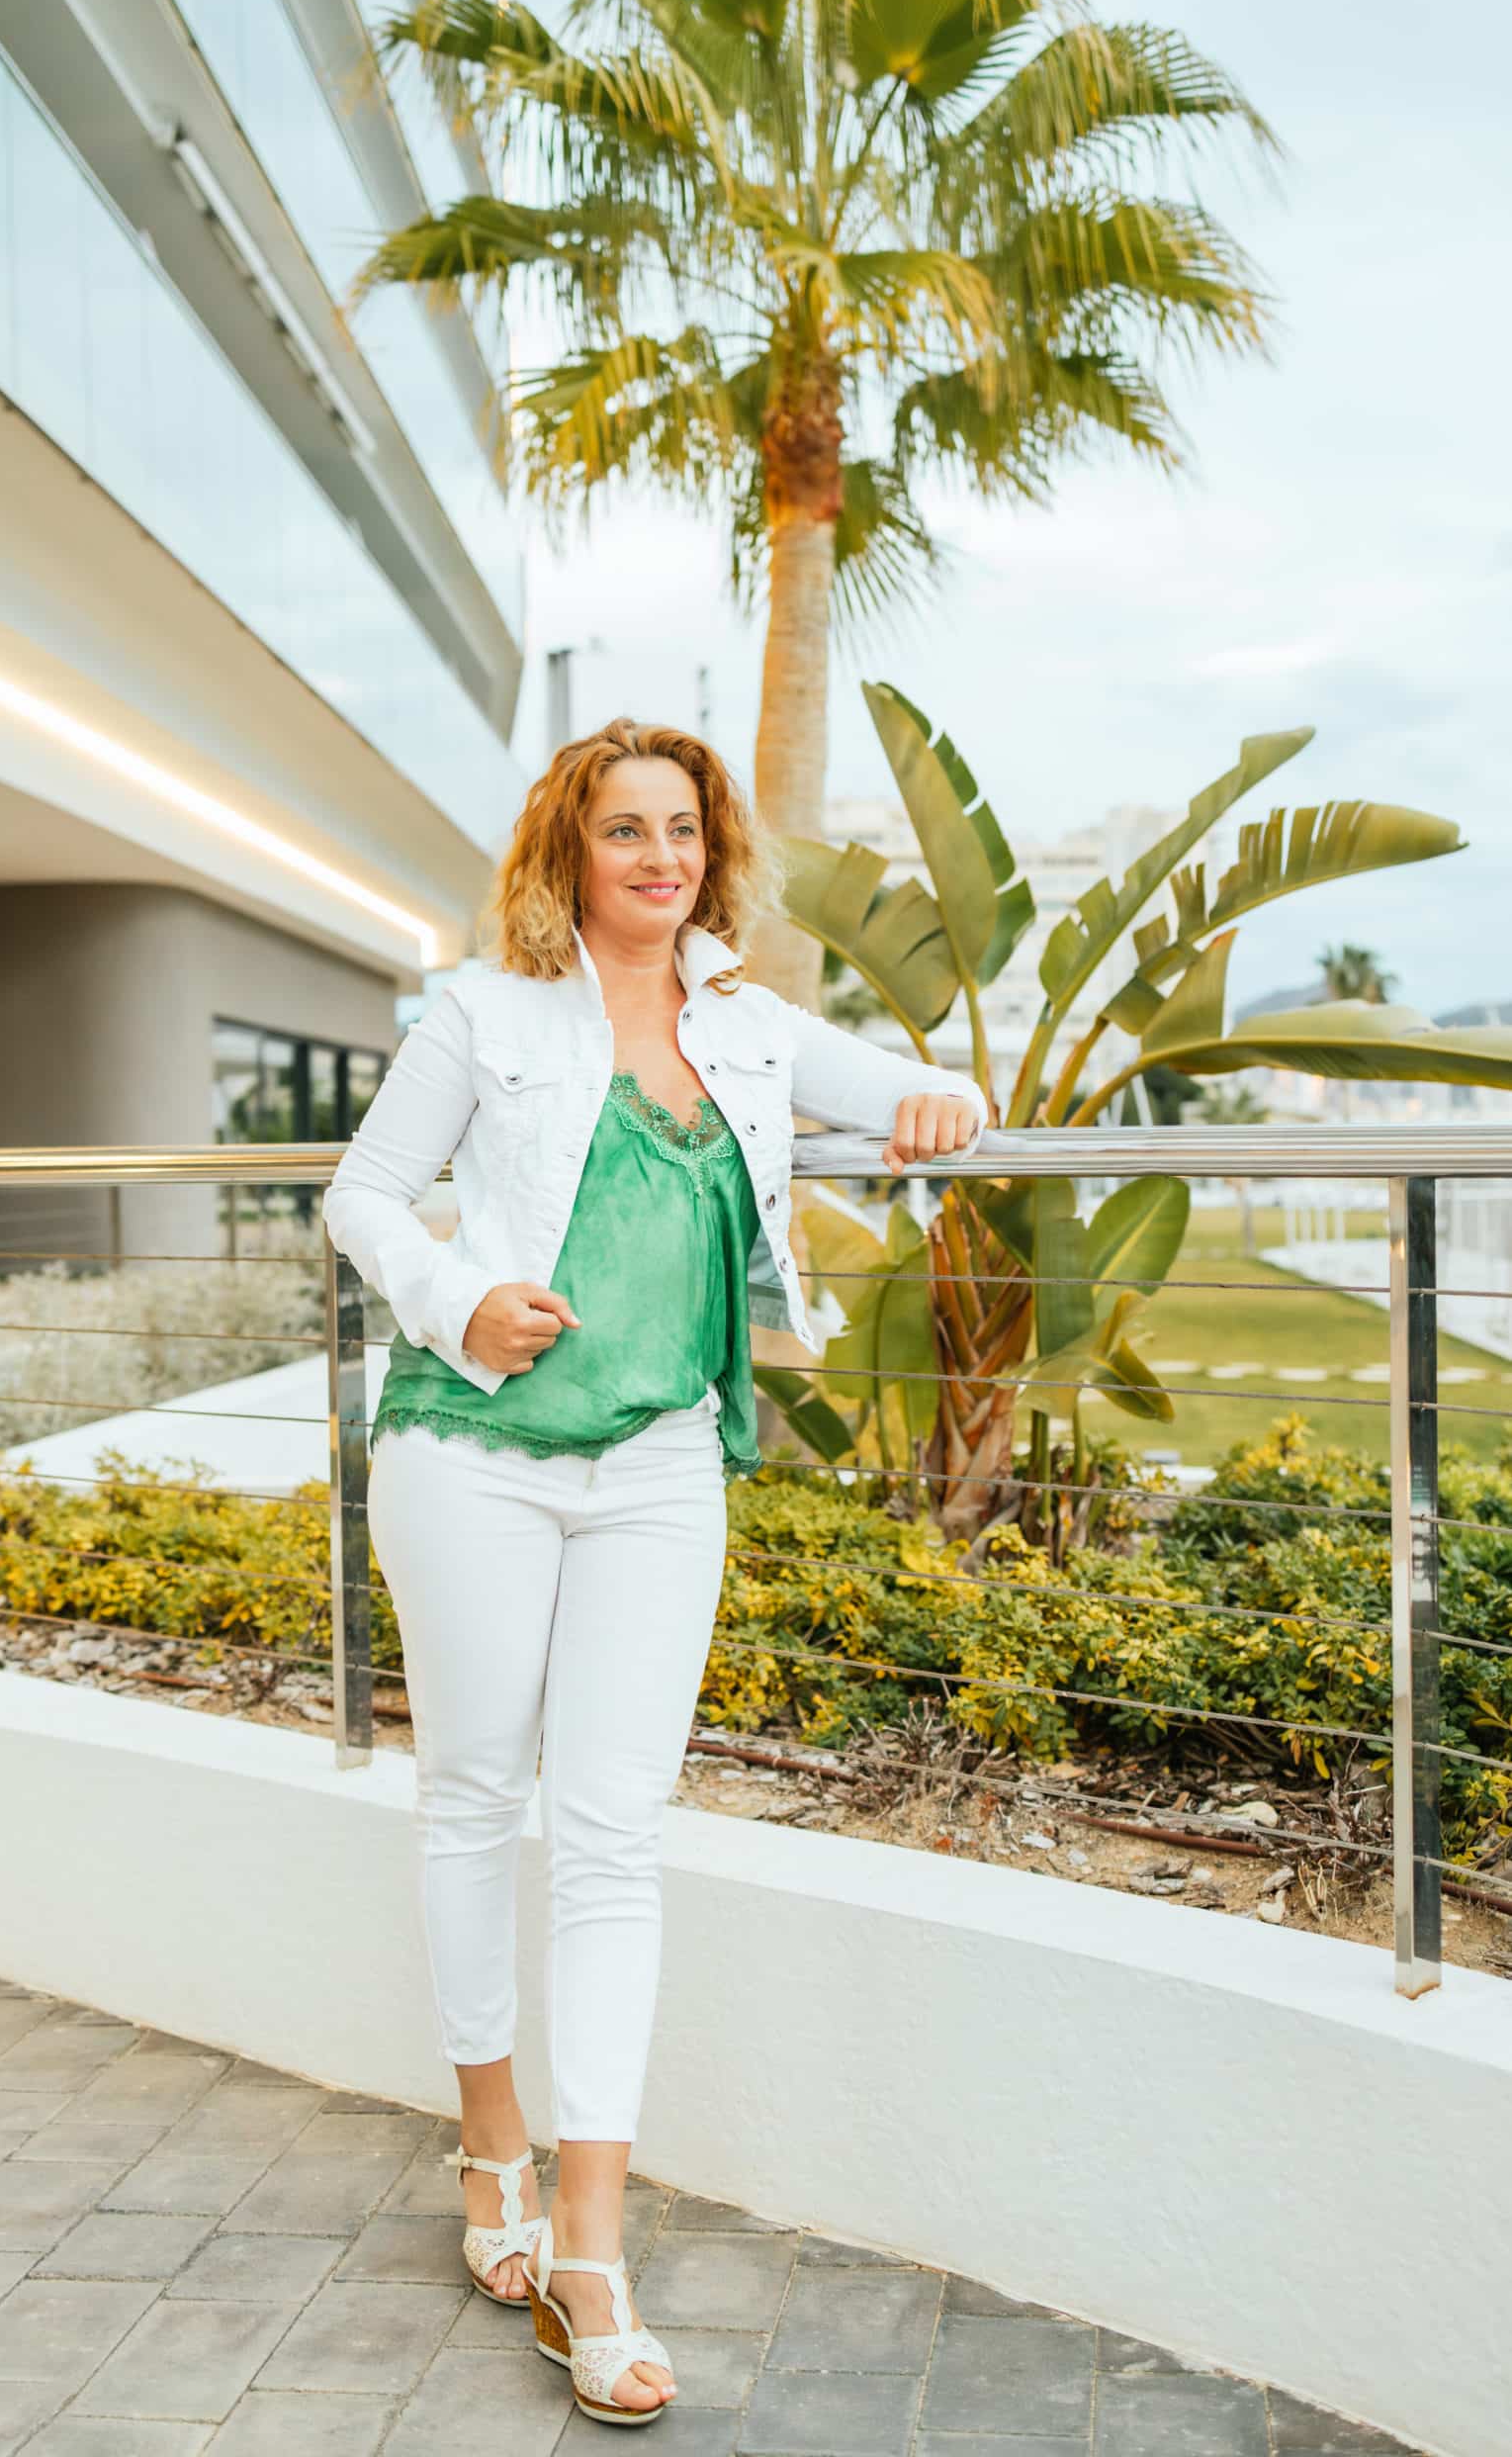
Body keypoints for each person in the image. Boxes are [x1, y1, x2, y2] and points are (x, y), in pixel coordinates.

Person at [322, 717, 986, 2423]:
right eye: (625, 830)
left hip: (666, 1462)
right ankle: (491, 2143)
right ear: (570, 849)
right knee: (477, 1796)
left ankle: (593, 2249)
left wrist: (939, 1104)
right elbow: (364, 1195)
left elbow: (932, 1100)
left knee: (616, 1833)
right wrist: (455, 1298)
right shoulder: (485, 1013)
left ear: (713, 851)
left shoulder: (750, 1027)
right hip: (474, 1451)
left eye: (682, 830)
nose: (660, 859)